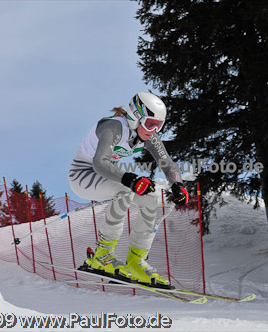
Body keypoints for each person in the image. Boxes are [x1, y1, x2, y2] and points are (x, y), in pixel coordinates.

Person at [68, 92, 189, 289]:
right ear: (135, 116)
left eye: (159, 125)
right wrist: (130, 179)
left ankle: (136, 261)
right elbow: (99, 163)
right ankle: (102, 255)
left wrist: (178, 185)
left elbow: (167, 164)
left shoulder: (147, 135)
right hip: (83, 175)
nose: (154, 130)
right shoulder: (114, 127)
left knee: (151, 196)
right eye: (151, 124)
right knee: (125, 192)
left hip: (106, 176)